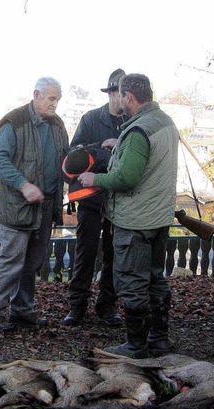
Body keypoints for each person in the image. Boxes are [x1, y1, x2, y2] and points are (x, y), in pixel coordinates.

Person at [78, 73, 179, 358]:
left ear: (129, 97)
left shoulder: (137, 132)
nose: (118, 99)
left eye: (120, 95)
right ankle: (158, 339)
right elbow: (149, 165)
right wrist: (119, 146)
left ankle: (135, 345)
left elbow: (127, 177)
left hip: (135, 220)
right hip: (158, 218)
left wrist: (94, 179)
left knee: (133, 282)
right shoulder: (164, 122)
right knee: (155, 279)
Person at [0, 77, 68, 333]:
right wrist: (23, 184)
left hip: (46, 205)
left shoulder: (57, 124)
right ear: (36, 95)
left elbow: (64, 156)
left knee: (33, 262)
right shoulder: (15, 122)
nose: (55, 104)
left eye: (58, 99)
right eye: (51, 99)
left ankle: (22, 310)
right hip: (18, 206)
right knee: (10, 260)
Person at [62, 69, 128, 327]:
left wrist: (108, 157)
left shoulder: (132, 123)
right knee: (85, 253)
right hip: (91, 198)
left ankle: (107, 307)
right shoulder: (90, 119)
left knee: (114, 254)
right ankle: (77, 306)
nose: (122, 99)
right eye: (118, 93)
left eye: (125, 94)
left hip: (120, 199)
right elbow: (74, 156)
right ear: (111, 93)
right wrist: (107, 158)